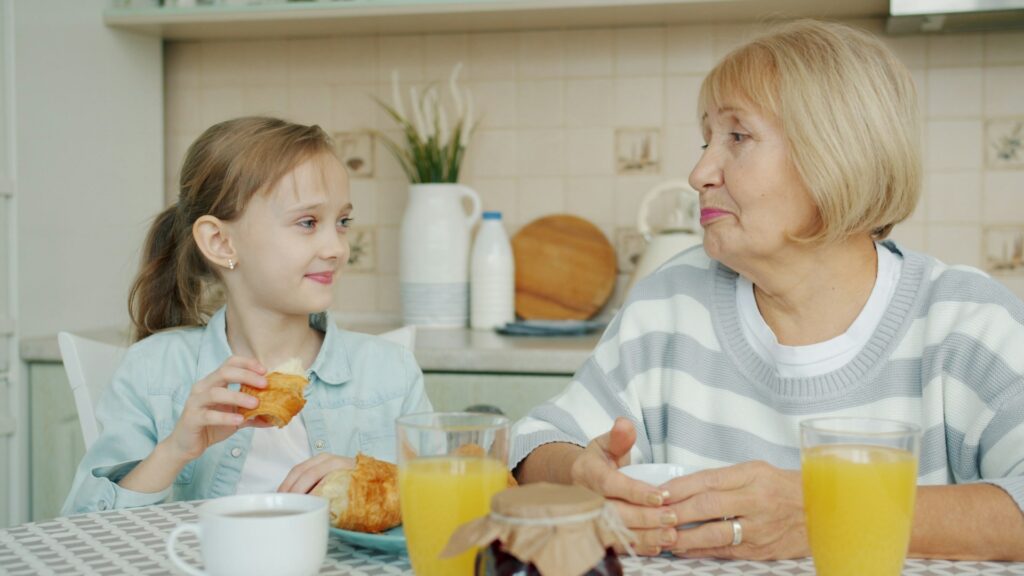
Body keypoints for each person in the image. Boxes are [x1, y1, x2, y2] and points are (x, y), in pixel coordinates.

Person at [511, 20, 1024, 561]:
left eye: (738, 137)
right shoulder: (669, 305)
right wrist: (579, 475)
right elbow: (533, 442)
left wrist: (829, 512)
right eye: (707, 140)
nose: (699, 172)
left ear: (836, 155)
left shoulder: (967, 323)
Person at [63, 117, 431, 515]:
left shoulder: (390, 372)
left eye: (342, 222)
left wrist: (377, 480)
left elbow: (446, 511)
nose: (336, 248)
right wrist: (175, 450)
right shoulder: (153, 370)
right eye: (308, 223)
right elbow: (83, 528)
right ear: (220, 242)